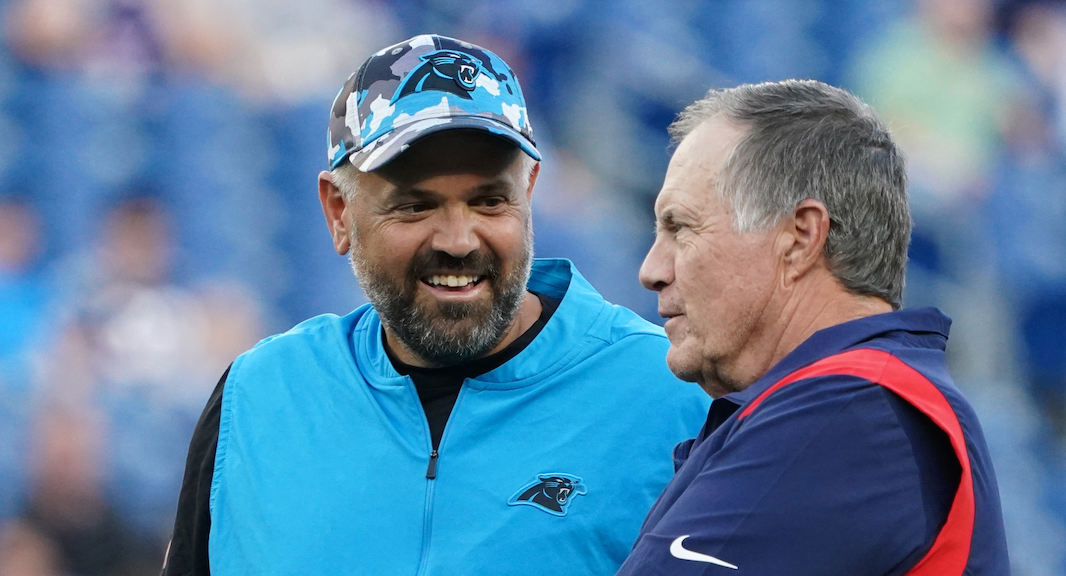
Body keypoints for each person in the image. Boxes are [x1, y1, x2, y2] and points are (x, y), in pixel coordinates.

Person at [160, 34, 708, 575]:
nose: (458, 239)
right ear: (338, 213)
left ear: (529, 193)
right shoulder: (259, 397)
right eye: (415, 206)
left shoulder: (672, 397)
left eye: (489, 201)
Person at [617, 80, 1009, 575]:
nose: (651, 269)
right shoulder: (854, 404)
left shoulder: (852, 408)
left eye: (681, 228)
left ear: (800, 238)